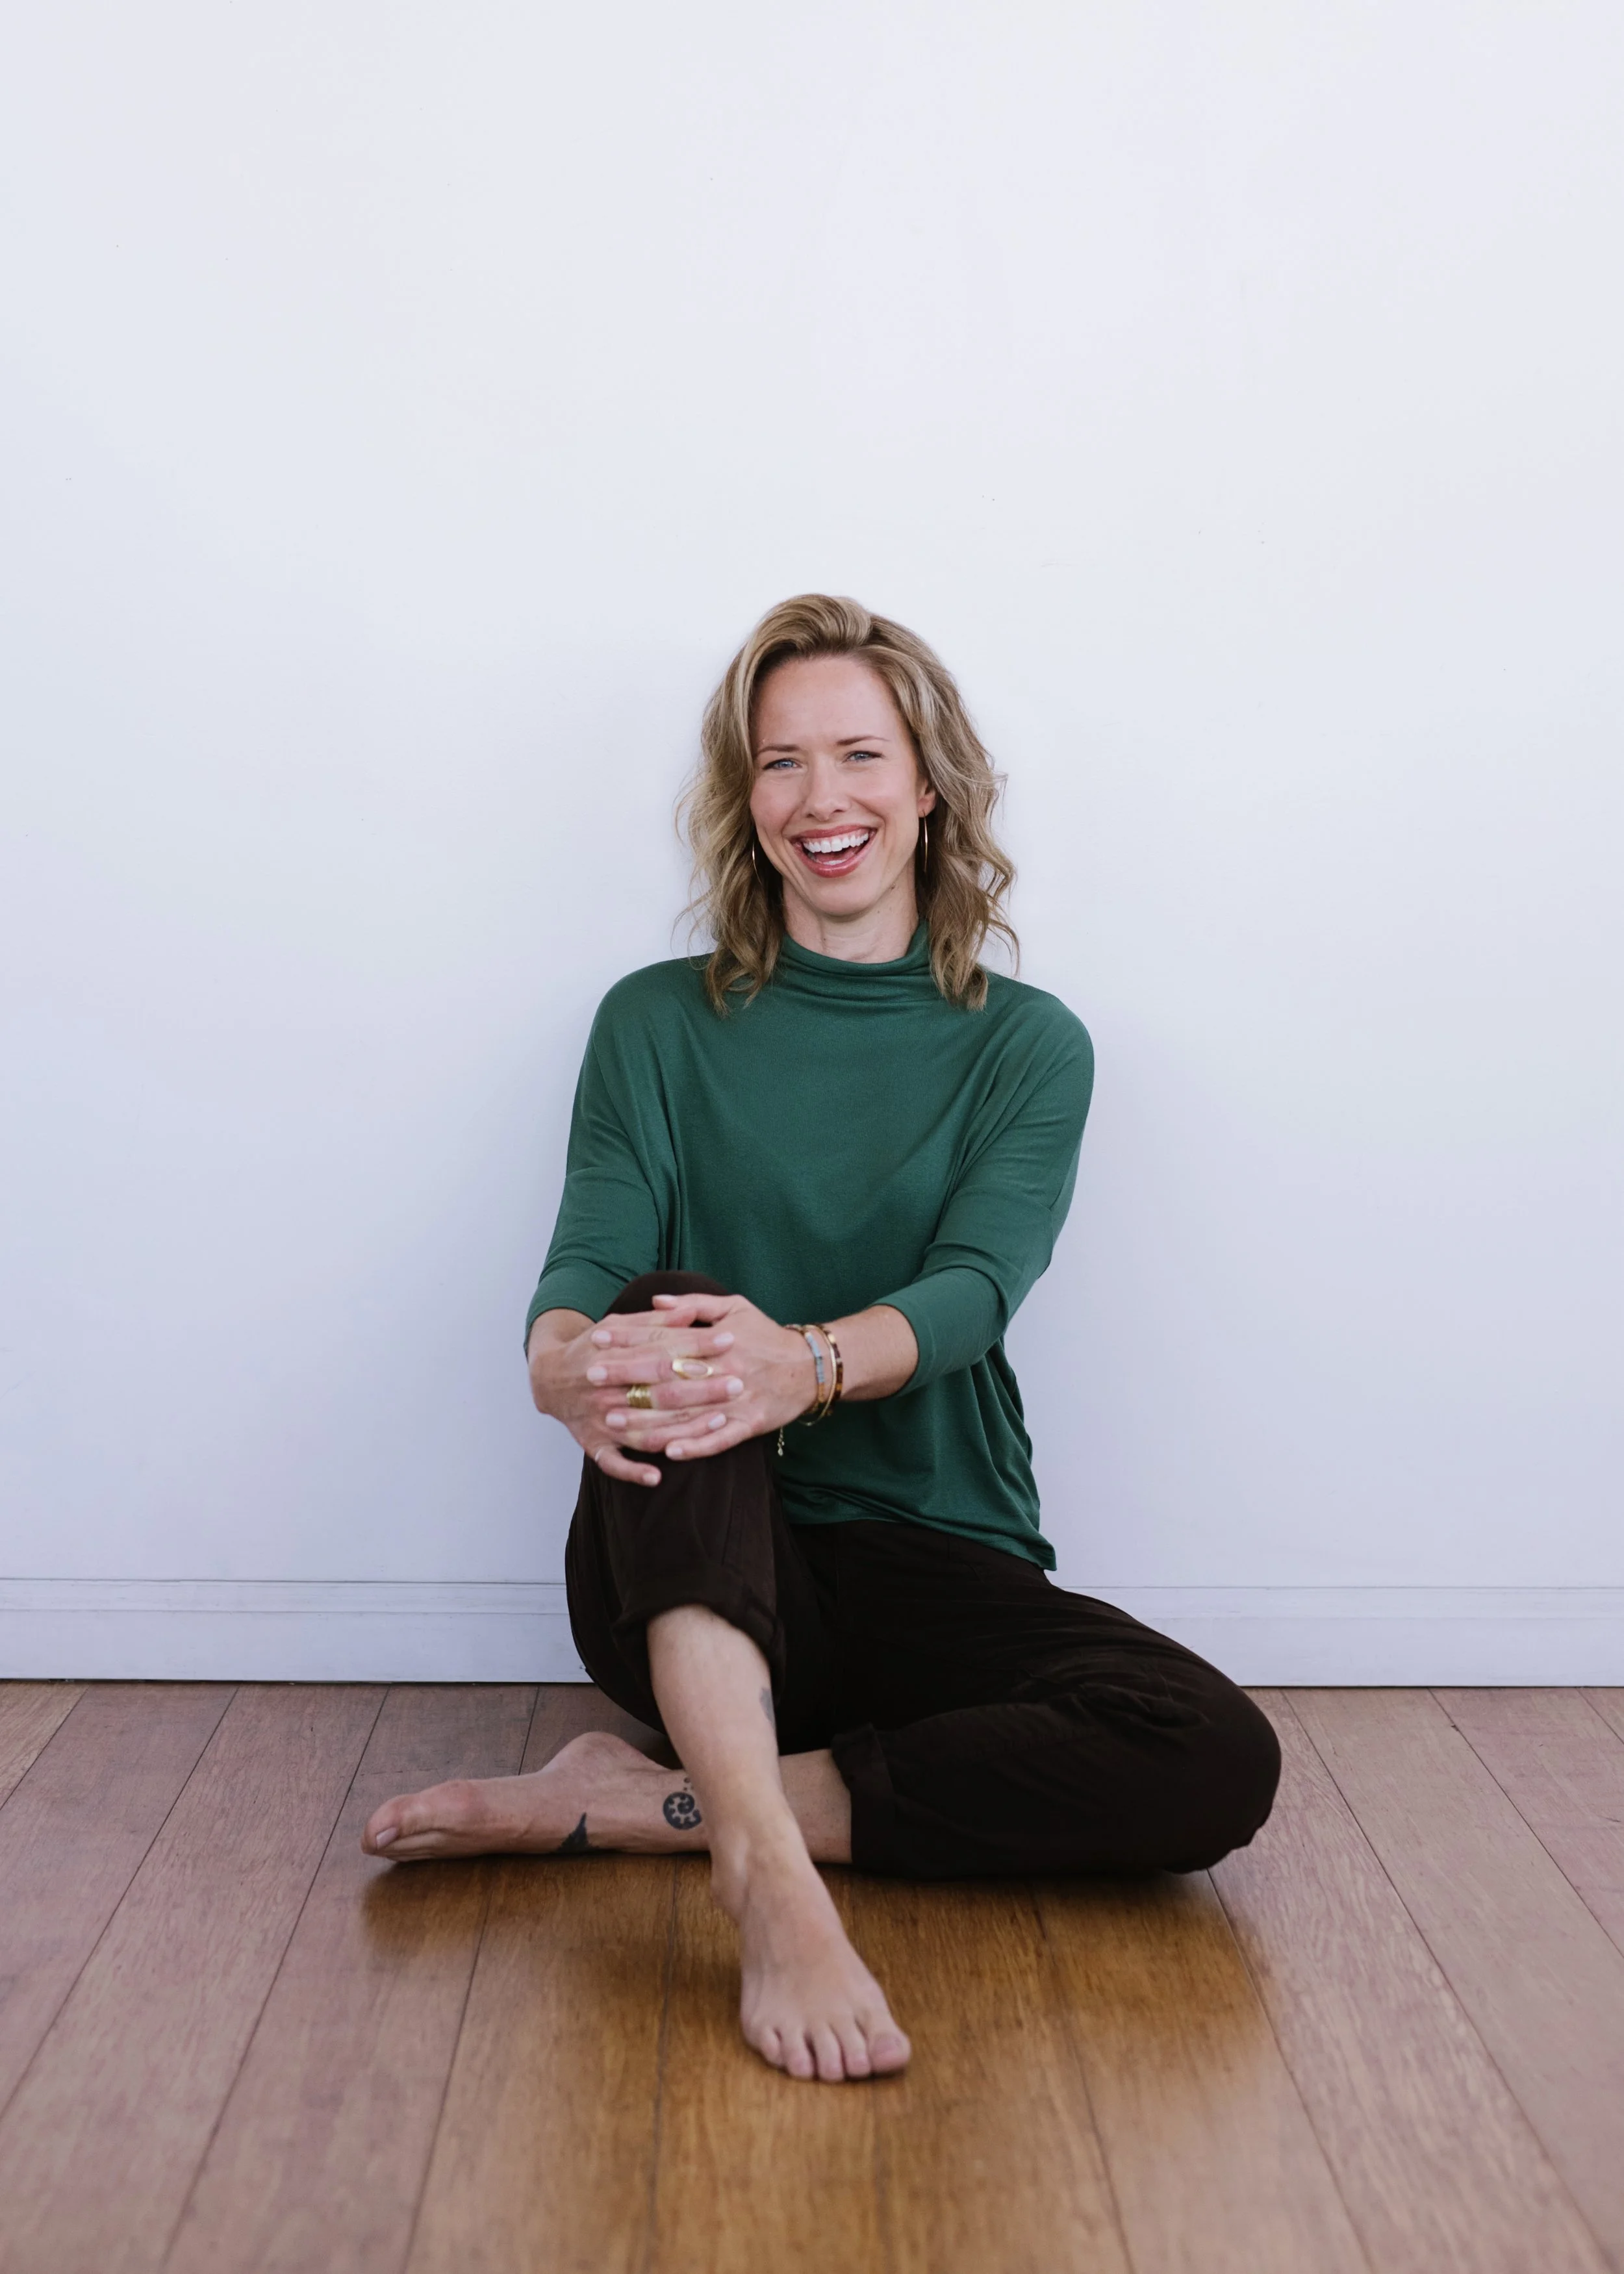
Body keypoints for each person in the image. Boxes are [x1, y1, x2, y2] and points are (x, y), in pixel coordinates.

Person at [362, 594, 1281, 2084]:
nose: (820, 799)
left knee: (1211, 1755)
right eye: (779, 763)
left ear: (927, 785)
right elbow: (589, 1255)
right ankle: (768, 1880)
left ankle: (631, 1803)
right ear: (745, 802)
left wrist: (811, 1359)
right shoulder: (654, 1022)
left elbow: (978, 1285)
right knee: (669, 1317)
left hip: (931, 1556)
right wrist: (558, 1363)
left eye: (858, 754)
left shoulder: (1023, 1043)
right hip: (691, 1568)